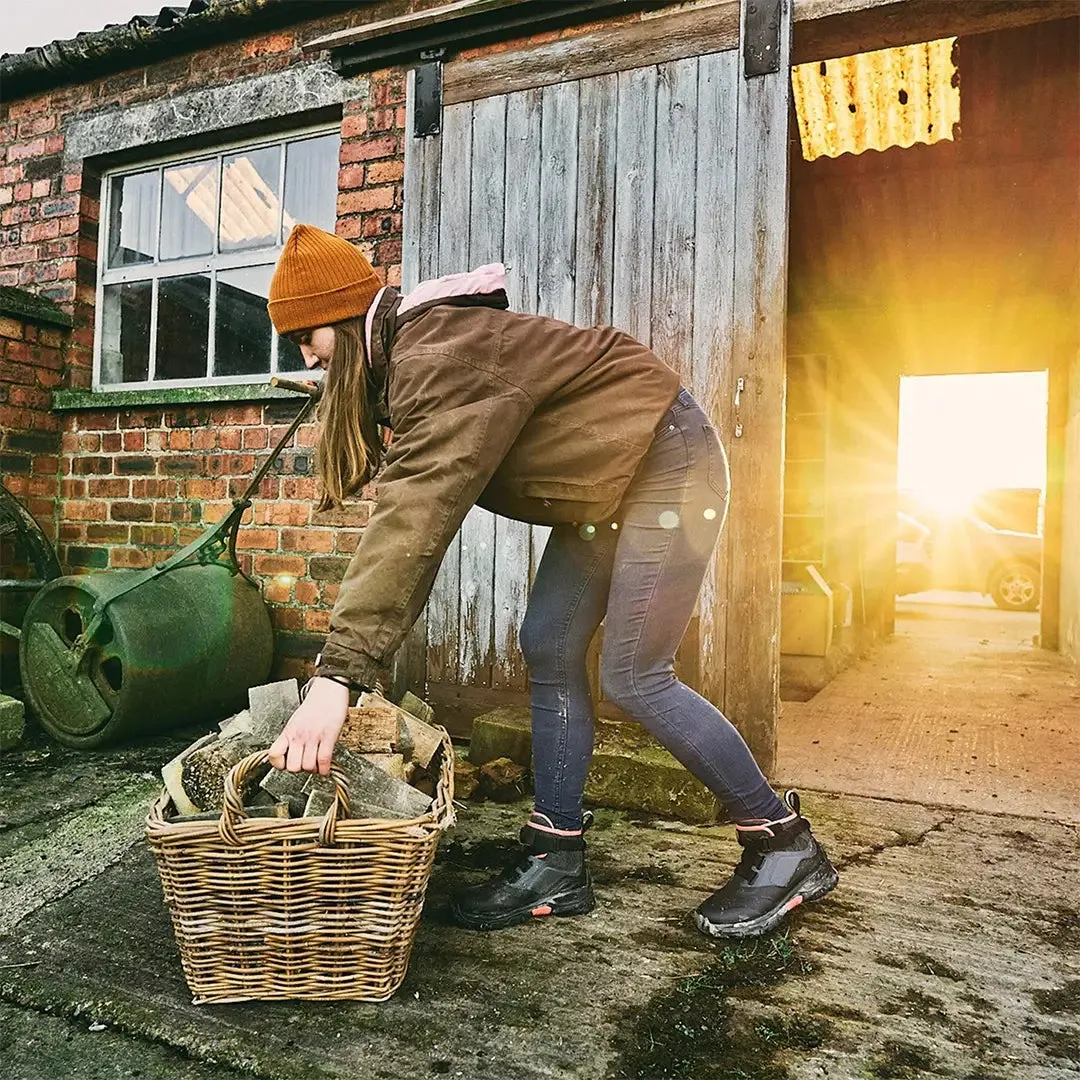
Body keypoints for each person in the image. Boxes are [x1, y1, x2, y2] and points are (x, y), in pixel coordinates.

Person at [265, 223, 838, 938]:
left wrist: (336, 678)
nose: (306, 357)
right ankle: (557, 858)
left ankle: (783, 843)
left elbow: (412, 521)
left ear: (348, 320)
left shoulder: (437, 355)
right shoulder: (409, 361)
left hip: (666, 462)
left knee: (635, 673)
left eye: (306, 337)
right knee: (549, 642)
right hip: (605, 485)